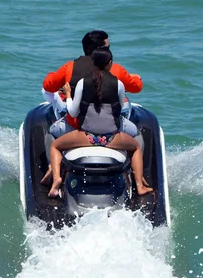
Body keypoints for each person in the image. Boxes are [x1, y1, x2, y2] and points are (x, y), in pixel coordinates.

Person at [47, 47, 153, 198]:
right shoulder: (119, 84)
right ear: (110, 63)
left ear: (92, 63)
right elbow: (120, 108)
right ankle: (140, 185)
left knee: (55, 146)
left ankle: (56, 179)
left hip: (86, 137)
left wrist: (69, 96)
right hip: (111, 138)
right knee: (135, 147)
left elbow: (72, 112)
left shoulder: (83, 83)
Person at [42, 30, 143, 139]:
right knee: (137, 134)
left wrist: (53, 74)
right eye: (107, 48)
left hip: (76, 125)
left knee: (50, 133)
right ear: (100, 51)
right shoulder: (115, 69)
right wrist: (136, 77)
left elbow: (48, 86)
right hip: (110, 126)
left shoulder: (69, 67)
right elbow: (136, 87)